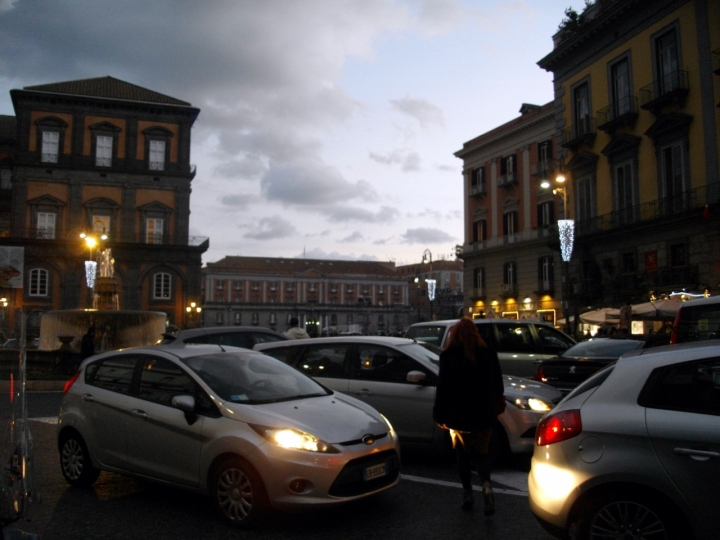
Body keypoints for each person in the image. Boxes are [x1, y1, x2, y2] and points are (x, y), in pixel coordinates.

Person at [433, 318, 504, 516]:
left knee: (462, 455)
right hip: (484, 414)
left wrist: (439, 414)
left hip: (458, 415)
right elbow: (498, 385)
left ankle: (467, 494)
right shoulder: (489, 354)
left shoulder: (448, 356)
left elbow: (443, 389)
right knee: (482, 454)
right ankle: (487, 488)